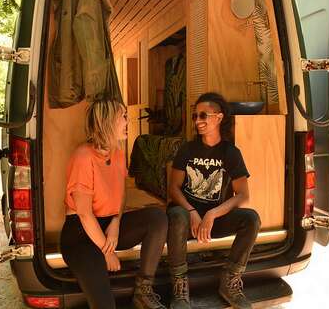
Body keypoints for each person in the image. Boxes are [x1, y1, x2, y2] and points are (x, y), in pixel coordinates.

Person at [60, 99, 168, 309]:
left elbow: (120, 194)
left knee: (157, 218)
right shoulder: (83, 156)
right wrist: (107, 251)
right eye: (124, 117)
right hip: (81, 235)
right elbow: (84, 214)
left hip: (108, 226)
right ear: (108, 122)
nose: (128, 121)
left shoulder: (118, 154)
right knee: (105, 304)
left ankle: (144, 290)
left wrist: (116, 222)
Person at [167, 93, 261, 309]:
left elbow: (244, 196)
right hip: (186, 218)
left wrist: (212, 214)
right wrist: (192, 211)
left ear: (218, 118)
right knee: (177, 215)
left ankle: (230, 281)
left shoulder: (230, 152)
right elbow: (173, 188)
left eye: (203, 115)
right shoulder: (187, 149)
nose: (198, 121)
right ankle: (180, 288)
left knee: (251, 219)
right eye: (194, 116)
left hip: (213, 220)